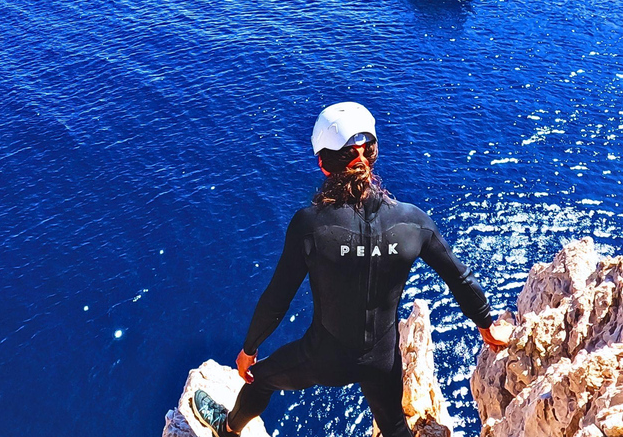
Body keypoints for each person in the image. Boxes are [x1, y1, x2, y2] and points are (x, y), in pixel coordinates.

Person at [191, 102, 511, 437]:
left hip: (322, 359)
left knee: (261, 381)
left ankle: (226, 429)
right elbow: (459, 277)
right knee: (394, 425)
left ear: (323, 164)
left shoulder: (309, 225)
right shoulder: (413, 222)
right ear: (373, 155)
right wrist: (485, 324)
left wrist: (249, 349)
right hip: (381, 360)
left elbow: (277, 298)